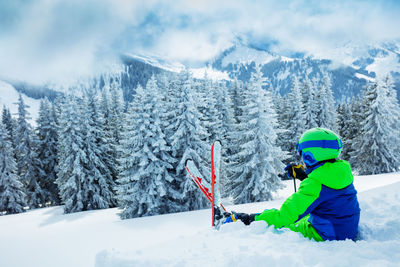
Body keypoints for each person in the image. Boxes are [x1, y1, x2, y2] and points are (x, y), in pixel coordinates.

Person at [221, 127, 360, 241]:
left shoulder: (315, 184)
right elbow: (326, 192)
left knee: (280, 229)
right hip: (343, 228)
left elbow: (285, 216)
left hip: (328, 235)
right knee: (303, 216)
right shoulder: (341, 171)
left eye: (303, 155)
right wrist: (305, 177)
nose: (303, 160)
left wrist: (249, 219)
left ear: (310, 156)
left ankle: (235, 222)